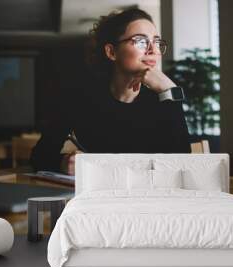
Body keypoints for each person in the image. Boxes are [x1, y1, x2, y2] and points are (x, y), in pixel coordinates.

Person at [31, 8, 190, 175]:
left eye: (156, 42)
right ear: (111, 52)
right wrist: (63, 163)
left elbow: (181, 165)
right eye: (141, 41)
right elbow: (40, 156)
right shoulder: (78, 97)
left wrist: (170, 92)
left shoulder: (163, 99)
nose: (153, 50)